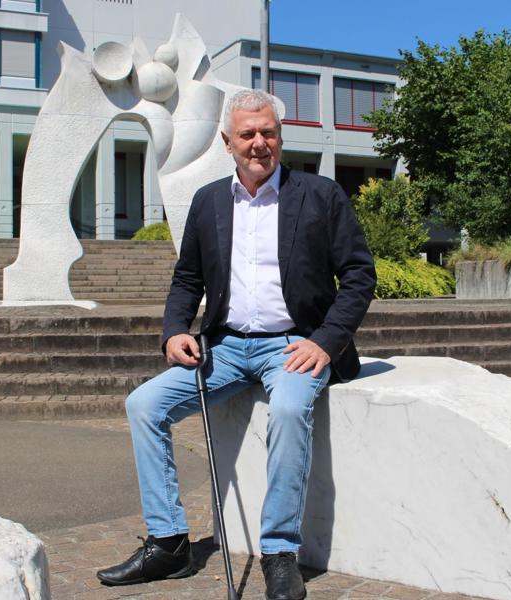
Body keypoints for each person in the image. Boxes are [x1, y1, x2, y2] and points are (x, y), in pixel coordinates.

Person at [96, 89, 375, 600]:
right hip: (224, 347)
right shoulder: (208, 202)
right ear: (228, 141)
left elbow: (359, 276)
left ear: (281, 137)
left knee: (289, 412)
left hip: (294, 344)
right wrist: (176, 330)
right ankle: (169, 543)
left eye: (268, 132)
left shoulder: (320, 195)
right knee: (144, 405)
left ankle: (279, 553)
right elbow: (187, 279)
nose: (259, 143)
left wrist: (326, 343)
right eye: (247, 134)